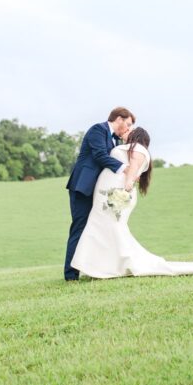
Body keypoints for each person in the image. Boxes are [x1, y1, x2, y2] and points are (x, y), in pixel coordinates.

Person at [71, 126, 193, 279]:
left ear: (137, 137)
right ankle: (102, 266)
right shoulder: (136, 149)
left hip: (117, 193)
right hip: (110, 193)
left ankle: (113, 265)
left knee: (111, 229)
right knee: (105, 229)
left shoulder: (138, 149)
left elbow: (132, 170)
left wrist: (124, 189)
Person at [64, 107, 135, 281]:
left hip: (98, 190)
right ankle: (71, 274)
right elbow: (99, 155)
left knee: (95, 229)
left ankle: (94, 267)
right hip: (83, 186)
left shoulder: (115, 141)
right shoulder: (98, 129)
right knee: (79, 227)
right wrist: (126, 169)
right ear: (119, 118)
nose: (128, 128)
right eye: (127, 124)